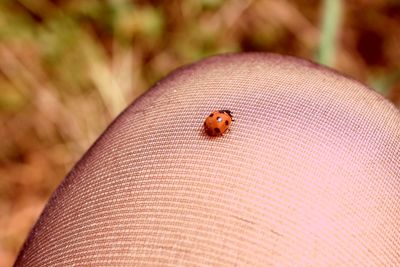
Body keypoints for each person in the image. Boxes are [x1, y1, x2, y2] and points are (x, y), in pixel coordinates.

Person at [14, 53, 400, 266]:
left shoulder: (217, 115)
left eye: (221, 122)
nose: (220, 123)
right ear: (224, 120)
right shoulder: (220, 119)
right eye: (222, 121)